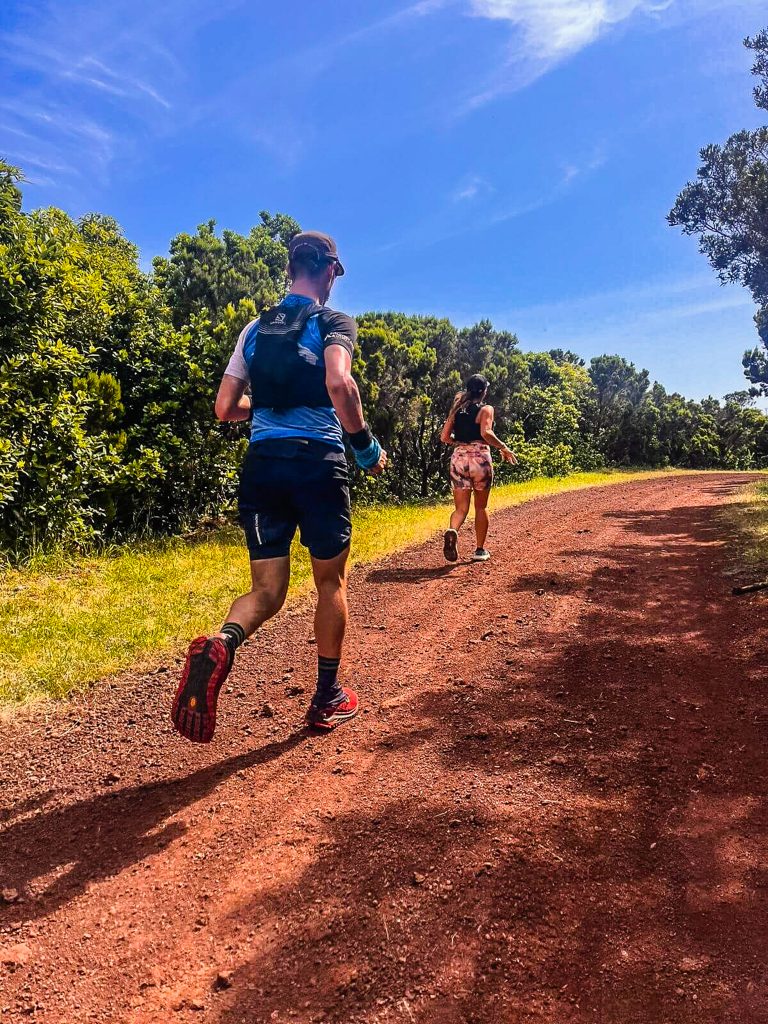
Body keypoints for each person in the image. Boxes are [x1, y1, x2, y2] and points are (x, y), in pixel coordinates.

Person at [171, 231, 386, 742]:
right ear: (330, 270)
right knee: (330, 583)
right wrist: (365, 448)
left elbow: (225, 409)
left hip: (263, 465)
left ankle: (222, 643)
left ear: (292, 268)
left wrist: (268, 411)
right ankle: (327, 698)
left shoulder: (255, 328)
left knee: (267, 592)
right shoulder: (333, 321)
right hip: (317, 465)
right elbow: (340, 384)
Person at [439, 374, 517, 563]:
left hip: (458, 458)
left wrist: (458, 442)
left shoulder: (457, 409)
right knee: (480, 506)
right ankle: (480, 550)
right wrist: (503, 447)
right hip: (479, 459)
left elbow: (444, 437)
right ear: (484, 391)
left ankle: (453, 531)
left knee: (461, 508)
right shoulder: (486, 409)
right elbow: (485, 432)